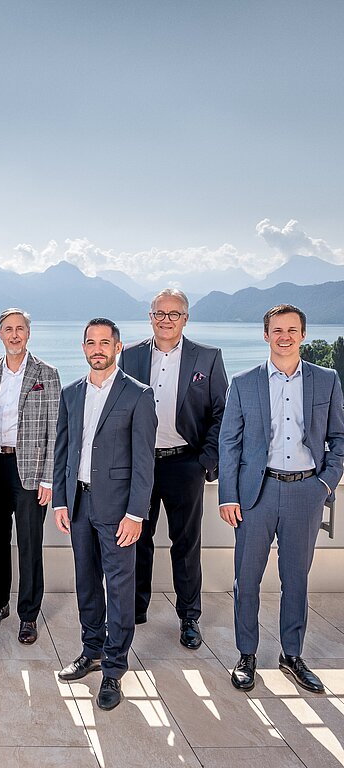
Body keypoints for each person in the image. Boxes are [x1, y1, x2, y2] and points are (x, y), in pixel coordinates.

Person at [219, 304, 344, 693]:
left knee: (296, 580)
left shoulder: (326, 380)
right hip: (255, 495)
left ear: (303, 334)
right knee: (247, 580)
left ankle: (292, 655)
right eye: (277, 330)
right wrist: (228, 496)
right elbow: (229, 443)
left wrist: (324, 485)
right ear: (266, 335)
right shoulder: (244, 382)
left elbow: (338, 438)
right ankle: (247, 655)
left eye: (292, 330)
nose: (284, 336)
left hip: (306, 493)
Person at [52, 318, 156, 710]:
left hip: (118, 509)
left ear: (117, 347)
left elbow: (144, 462)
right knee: (87, 582)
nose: (97, 349)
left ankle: (114, 668)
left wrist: (136, 514)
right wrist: (61, 501)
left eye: (104, 342)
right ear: (84, 348)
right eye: (91, 342)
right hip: (78, 504)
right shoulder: (71, 393)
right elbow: (63, 450)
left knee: (120, 587)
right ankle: (91, 650)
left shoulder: (138, 395)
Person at [119, 288, 227, 648]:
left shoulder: (208, 358)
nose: (166, 320)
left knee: (186, 543)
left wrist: (204, 462)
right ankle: (134, 610)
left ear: (185, 318)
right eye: (160, 313)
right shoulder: (129, 355)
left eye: (174, 313)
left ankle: (189, 617)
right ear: (150, 317)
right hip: (140, 464)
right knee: (136, 539)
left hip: (185, 463)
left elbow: (222, 414)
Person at [0, 308, 60, 644]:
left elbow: (56, 429)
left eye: (19, 328)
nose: (14, 335)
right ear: (0, 333)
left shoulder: (47, 373)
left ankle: (29, 615)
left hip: (31, 471)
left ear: (28, 333)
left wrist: (49, 479)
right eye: (8, 329)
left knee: (29, 544)